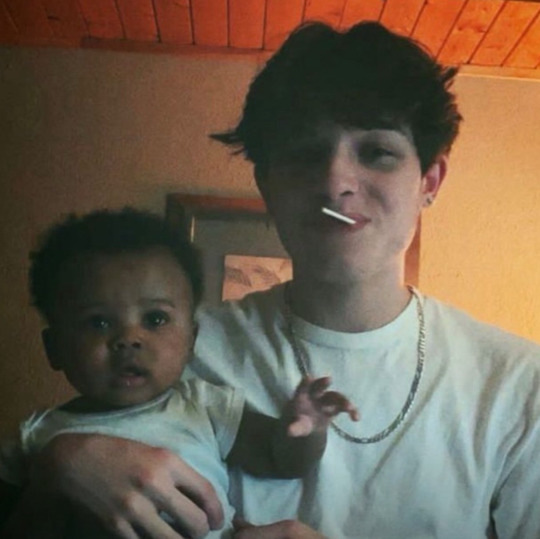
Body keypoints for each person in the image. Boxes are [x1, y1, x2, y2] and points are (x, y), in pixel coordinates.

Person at [4, 19, 540, 539]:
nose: (335, 182)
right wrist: (58, 468)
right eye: (306, 153)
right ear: (266, 184)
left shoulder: (517, 384)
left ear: (430, 180)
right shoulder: (169, 349)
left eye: (377, 152)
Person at [0, 208, 357, 538]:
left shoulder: (202, 405)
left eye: (155, 318)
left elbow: (279, 459)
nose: (128, 339)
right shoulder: (35, 437)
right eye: (99, 322)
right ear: (54, 348)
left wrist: (306, 429)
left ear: (192, 340)